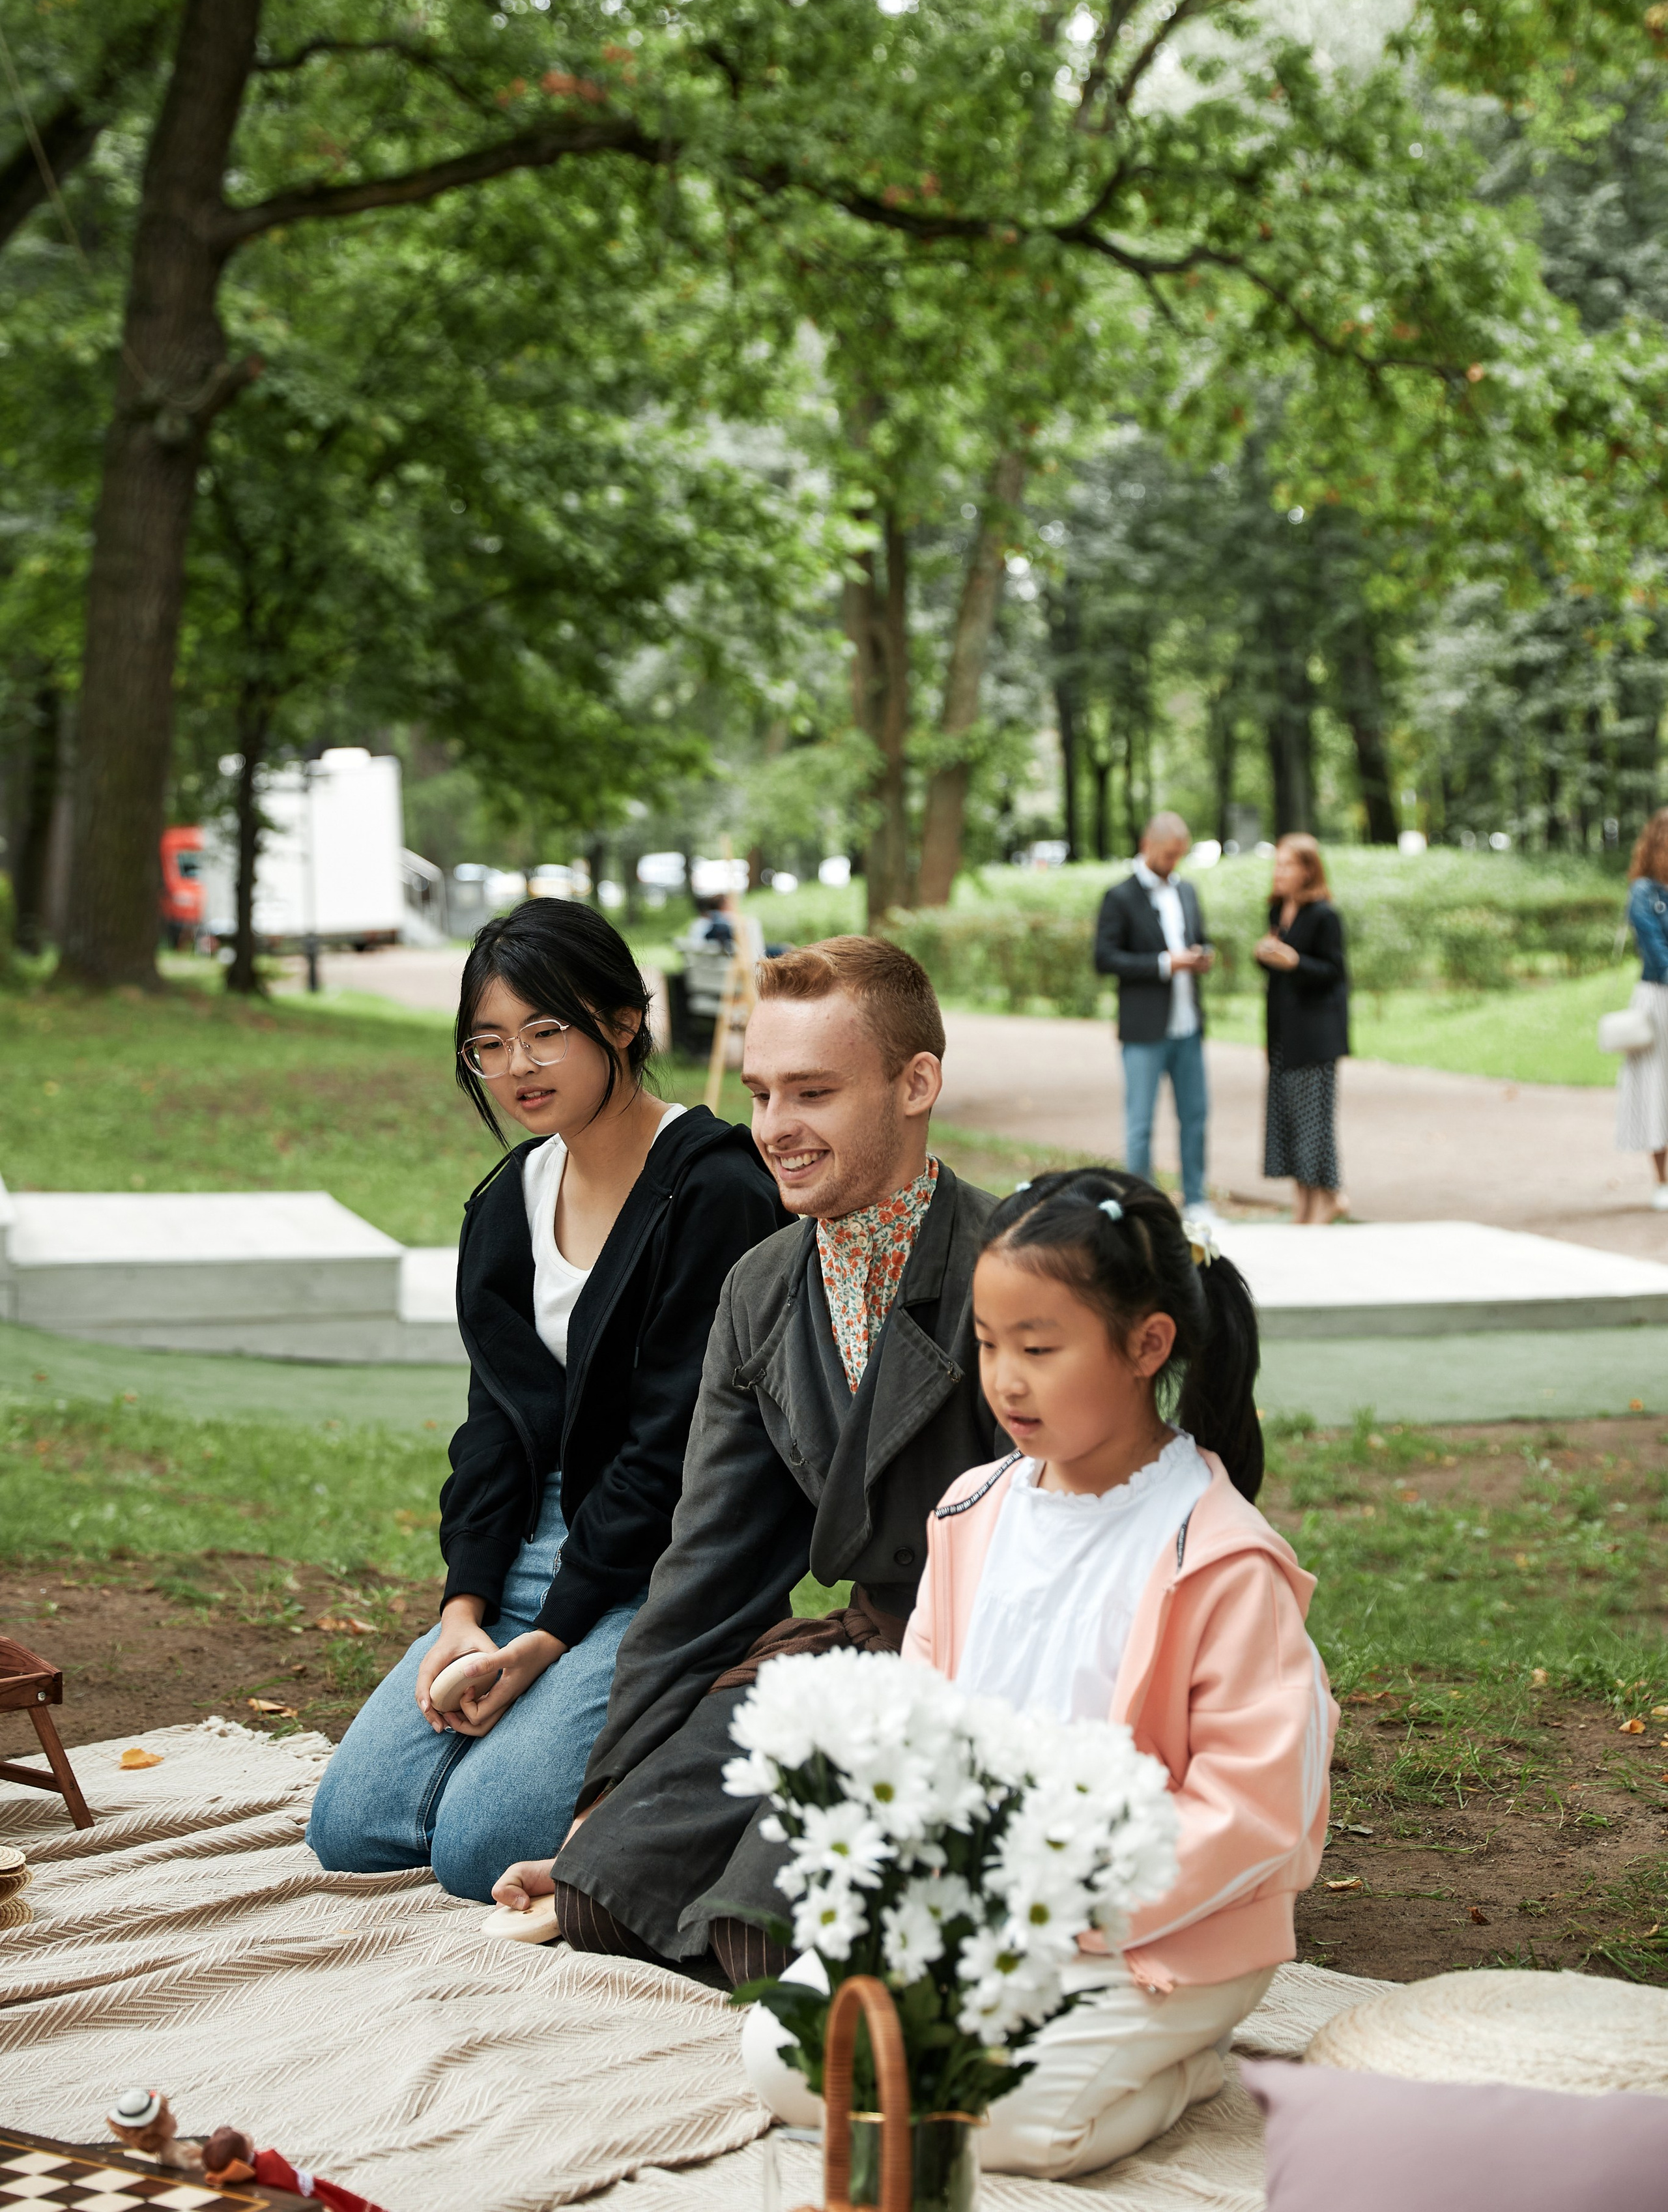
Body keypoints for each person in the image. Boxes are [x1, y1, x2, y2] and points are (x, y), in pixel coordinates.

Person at [742, 1168, 1336, 2179]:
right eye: (986, 1345)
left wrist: (1070, 1906)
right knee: (783, 2057)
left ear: (1148, 1345)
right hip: (976, 1912)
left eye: (1039, 1349)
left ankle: (1180, 2064)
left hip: (1149, 1933)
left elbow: (1255, 1809)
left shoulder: (1223, 1557)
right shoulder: (975, 1511)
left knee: (1010, 2122)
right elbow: (920, 1718)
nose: (1004, 1380)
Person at [489, 935, 1003, 1979]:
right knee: (604, 1898)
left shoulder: (1015, 1270)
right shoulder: (763, 1285)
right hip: (850, 1666)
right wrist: (604, 1801)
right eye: (762, 1093)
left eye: (812, 1092)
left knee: (760, 1935)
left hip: (991, 1685)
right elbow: (708, 1564)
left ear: (917, 1084)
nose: (774, 1130)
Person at [305, 899, 786, 1901]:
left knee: (480, 1851)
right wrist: (465, 1611)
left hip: (663, 1565)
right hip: (528, 1547)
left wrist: (550, 1640)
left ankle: (709, 1717)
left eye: (545, 1031)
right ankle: (554, 1706)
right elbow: (494, 1431)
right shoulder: (509, 1200)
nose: (517, 1065)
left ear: (621, 1022)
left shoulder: (714, 1190)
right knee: (355, 1830)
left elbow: (672, 1450)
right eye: (488, 1044)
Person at [1093, 812, 1215, 1216]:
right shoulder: (1120, 896)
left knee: (1195, 1117)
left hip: (1188, 1026)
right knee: (1140, 1125)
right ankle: (1144, 1206)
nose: (1173, 863)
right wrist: (1166, 964)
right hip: (1144, 1029)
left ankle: (1196, 1199)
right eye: (1168, 855)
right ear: (1147, 845)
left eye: (1180, 856)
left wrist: (1201, 956)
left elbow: (1199, 937)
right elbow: (1105, 958)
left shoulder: (1187, 892)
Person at [1253, 835, 1349, 1225]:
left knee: (1313, 1124)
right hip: (1283, 1035)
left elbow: (1334, 972)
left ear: (1308, 869)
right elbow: (1279, 978)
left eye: (1287, 865)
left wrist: (1294, 961)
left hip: (1315, 1037)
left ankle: (1320, 1204)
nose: (1279, 873)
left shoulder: (1324, 916)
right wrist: (1267, 956)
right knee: (1289, 1122)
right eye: (1277, 865)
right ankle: (1310, 1202)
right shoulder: (1278, 912)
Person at [1617, 809, 1668, 1208]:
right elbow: (1657, 954)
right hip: (1658, 1000)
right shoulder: (1644, 894)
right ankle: (1662, 1180)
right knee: (1658, 1088)